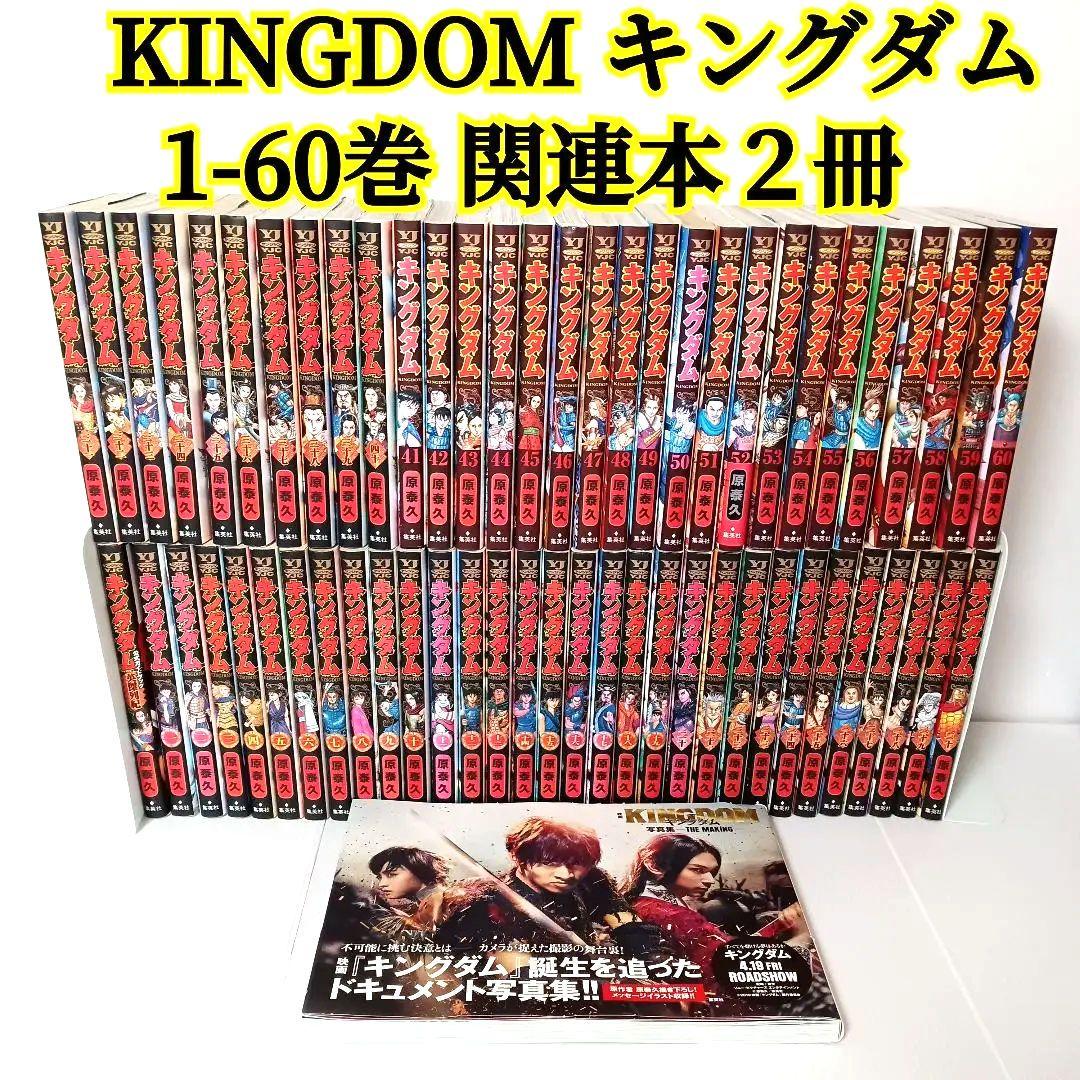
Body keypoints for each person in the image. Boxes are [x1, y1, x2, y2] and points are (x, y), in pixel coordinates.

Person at [421, 818, 663, 962]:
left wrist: (653, 959)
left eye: (578, 863)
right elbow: (512, 966)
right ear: (517, 858)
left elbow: (628, 926)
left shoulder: (591, 880)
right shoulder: (485, 901)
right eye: (550, 863)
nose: (566, 874)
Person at [623, 835, 802, 1008]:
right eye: (698, 870)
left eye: (712, 872)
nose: (710, 880)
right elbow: (732, 959)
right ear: (654, 865)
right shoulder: (673, 914)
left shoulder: (640, 904)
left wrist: (781, 923)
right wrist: (797, 935)